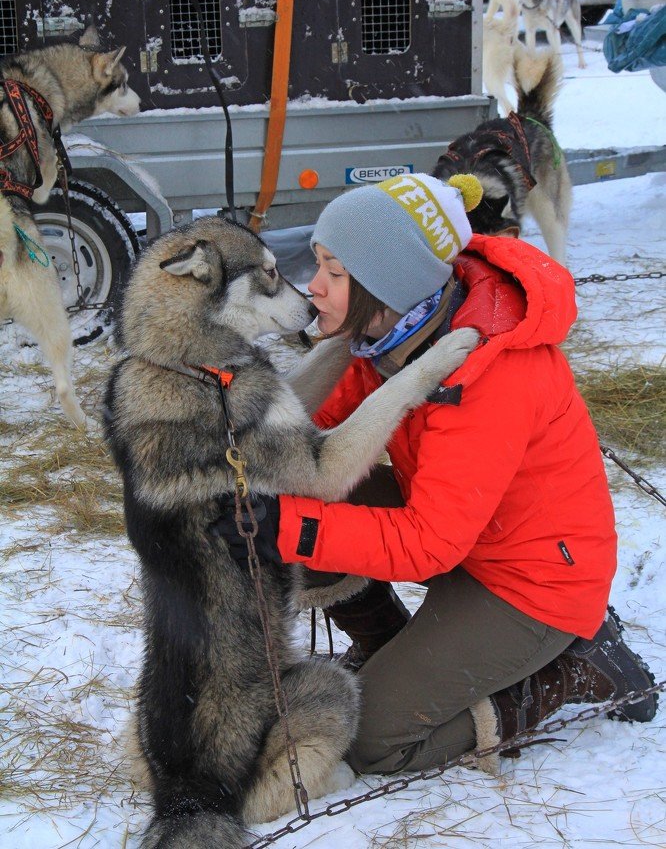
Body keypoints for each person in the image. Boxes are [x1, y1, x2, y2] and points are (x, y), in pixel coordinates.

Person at [218, 172, 657, 775]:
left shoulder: (485, 371)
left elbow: (429, 542)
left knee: (364, 739)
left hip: (532, 587)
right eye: (318, 265)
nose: (314, 287)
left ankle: (570, 672)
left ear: (387, 283)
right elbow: (297, 434)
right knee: (296, 495)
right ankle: (388, 650)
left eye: (334, 273)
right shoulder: (391, 337)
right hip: (473, 540)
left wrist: (280, 526)